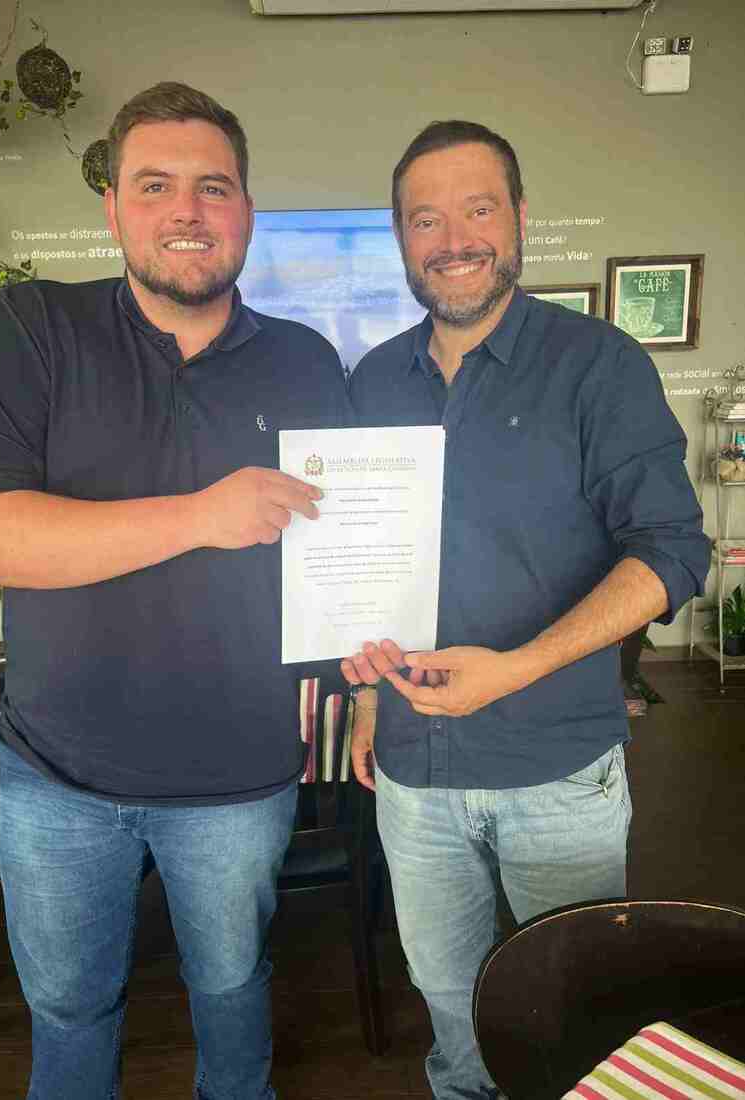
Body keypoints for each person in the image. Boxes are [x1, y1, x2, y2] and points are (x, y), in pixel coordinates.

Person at [0, 83, 350, 1100]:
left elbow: (337, 557)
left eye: (214, 187)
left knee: (233, 987)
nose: (187, 211)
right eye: (155, 185)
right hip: (55, 775)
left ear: (246, 209)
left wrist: (367, 660)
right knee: (70, 1008)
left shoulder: (304, 361)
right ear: (114, 207)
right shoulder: (34, 327)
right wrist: (202, 514)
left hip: (240, 776)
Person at [341, 121, 710, 1100]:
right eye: (425, 218)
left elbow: (673, 550)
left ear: (519, 217)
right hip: (414, 770)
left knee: (573, 1005)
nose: (453, 238)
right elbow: (370, 561)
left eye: (478, 208)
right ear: (400, 235)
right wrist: (370, 697)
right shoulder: (372, 380)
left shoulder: (599, 364)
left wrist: (517, 666)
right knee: (447, 995)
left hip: (557, 767)